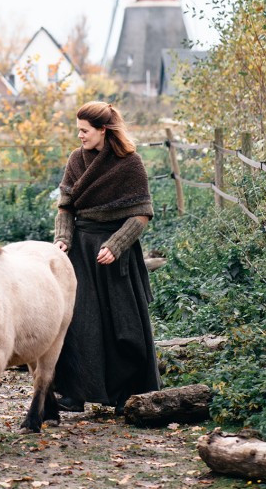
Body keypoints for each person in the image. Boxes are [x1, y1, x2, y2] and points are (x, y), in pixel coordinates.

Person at [53, 100, 160, 415]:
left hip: (116, 255)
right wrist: (62, 239)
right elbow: (65, 208)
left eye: (85, 131)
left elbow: (141, 215)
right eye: (78, 131)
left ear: (103, 130)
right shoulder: (76, 160)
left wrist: (116, 245)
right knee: (78, 322)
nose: (80, 137)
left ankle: (126, 395)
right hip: (81, 251)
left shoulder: (129, 163)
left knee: (123, 325)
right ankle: (75, 392)